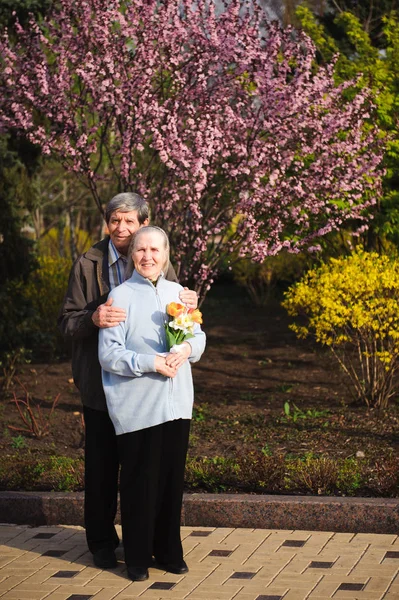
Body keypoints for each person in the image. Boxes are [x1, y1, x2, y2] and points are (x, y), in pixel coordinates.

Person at [58, 193, 198, 569]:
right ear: (107, 223)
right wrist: (93, 319)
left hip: (148, 391)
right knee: (103, 467)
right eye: (115, 220)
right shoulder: (88, 265)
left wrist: (190, 304)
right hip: (101, 384)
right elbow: (66, 321)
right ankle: (102, 542)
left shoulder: (154, 258)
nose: (121, 228)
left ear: (142, 224)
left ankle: (152, 543)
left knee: (145, 469)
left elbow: (174, 315)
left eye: (129, 221)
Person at [98, 226, 206, 582]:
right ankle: (137, 557)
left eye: (155, 250)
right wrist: (151, 362)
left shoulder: (179, 293)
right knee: (139, 484)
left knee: (170, 483)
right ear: (133, 255)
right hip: (138, 409)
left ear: (166, 253)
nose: (147, 256)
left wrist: (186, 349)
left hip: (177, 406)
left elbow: (198, 336)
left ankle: (169, 551)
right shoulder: (120, 295)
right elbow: (109, 355)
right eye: (141, 250)